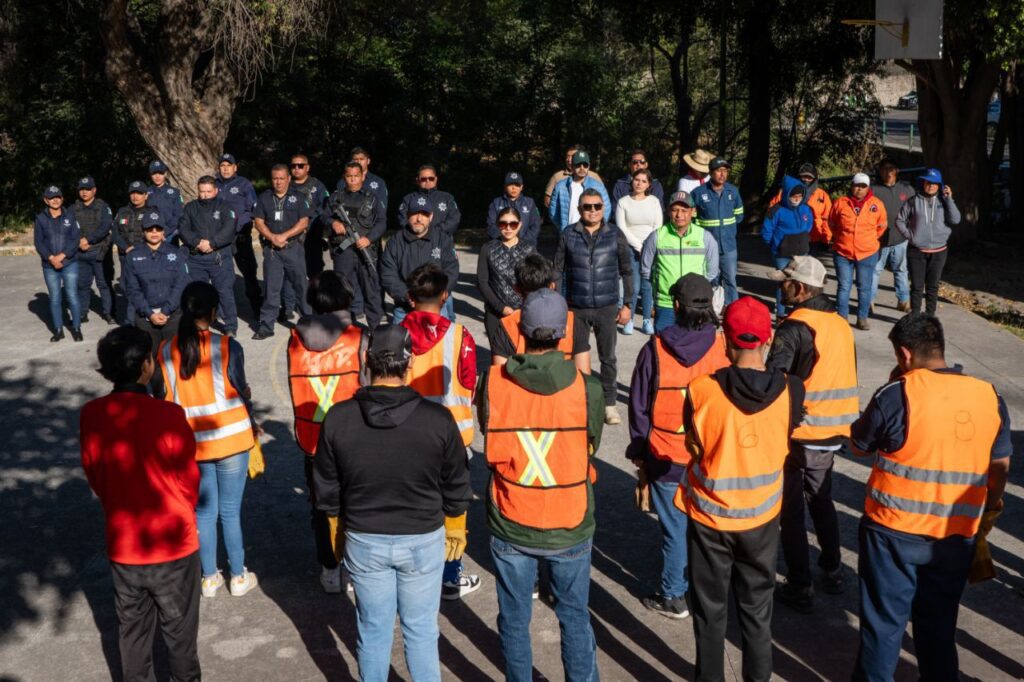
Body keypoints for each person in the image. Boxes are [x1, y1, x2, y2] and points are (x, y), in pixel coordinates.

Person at [849, 313, 1011, 681]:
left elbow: (859, 447)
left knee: (884, 627)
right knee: (938, 626)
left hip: (893, 533)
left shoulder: (897, 393)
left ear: (904, 354)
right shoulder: (988, 395)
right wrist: (989, 508)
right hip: (956, 535)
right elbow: (999, 465)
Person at [314, 324, 472, 682]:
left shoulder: (338, 418)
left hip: (364, 539)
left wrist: (337, 528)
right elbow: (457, 485)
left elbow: (326, 487)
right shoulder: (437, 419)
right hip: (422, 539)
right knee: (421, 632)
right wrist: (455, 525)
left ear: (366, 364)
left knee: (372, 631)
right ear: (410, 363)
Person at [478, 288, 605, 682]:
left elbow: (488, 427)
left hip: (512, 517)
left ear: (523, 331)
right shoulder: (588, 388)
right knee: (574, 616)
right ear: (562, 335)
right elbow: (592, 444)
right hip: (570, 517)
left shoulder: (494, 382)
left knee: (515, 619)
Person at [681, 296, 805, 682]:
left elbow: (693, 445)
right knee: (757, 611)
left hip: (710, 518)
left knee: (709, 611)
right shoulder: (792, 389)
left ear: (725, 341)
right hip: (761, 518)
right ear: (767, 341)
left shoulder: (700, 389)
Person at [80, 326, 201, 681]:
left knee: (132, 634)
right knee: (180, 637)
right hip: (173, 542)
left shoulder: (92, 414)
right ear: (146, 365)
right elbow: (188, 481)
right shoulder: (169, 415)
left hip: (124, 542)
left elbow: (96, 474)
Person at [626, 273, 729, 620]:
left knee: (674, 529)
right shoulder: (721, 348)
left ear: (677, 305)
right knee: (706, 529)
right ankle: (705, 589)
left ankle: (673, 594)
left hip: (665, 455)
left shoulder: (654, 349)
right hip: (710, 456)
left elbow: (639, 405)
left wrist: (640, 452)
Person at [159, 281, 259, 599]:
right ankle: (239, 576)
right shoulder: (227, 346)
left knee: (204, 512)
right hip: (231, 438)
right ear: (214, 311)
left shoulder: (165, 351)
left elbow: (161, 397)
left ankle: (210, 577)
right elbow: (240, 389)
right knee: (230, 511)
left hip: (191, 443)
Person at [767, 256, 856, 613]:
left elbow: (776, 381)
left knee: (790, 510)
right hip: (833, 431)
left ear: (800, 289)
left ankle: (800, 584)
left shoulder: (794, 327)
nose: (780, 286)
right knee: (821, 500)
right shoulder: (839, 324)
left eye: (785, 282)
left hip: (799, 431)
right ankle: (832, 569)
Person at [400, 263, 480, 600]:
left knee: (412, 503)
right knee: (454, 506)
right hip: (454, 436)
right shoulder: (461, 336)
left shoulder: (393, 336)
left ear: (409, 298)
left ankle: (411, 572)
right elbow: (470, 385)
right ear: (445, 296)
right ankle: (450, 573)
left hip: (406, 435)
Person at [288, 271, 367, 593]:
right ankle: (356, 564)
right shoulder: (358, 337)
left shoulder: (295, 339)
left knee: (321, 504)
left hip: (311, 437)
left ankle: (330, 567)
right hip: (353, 436)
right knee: (356, 502)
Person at [554, 187, 634, 425]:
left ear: (603, 208)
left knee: (608, 358)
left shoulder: (615, 234)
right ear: (579, 209)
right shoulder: (568, 234)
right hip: (576, 306)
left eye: (597, 206)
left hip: (606, 306)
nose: (592, 211)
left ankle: (609, 404)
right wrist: (559, 303)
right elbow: (557, 270)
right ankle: (581, 401)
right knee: (575, 356)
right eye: (587, 206)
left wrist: (628, 304)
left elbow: (627, 271)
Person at [490, 253, 592, 375]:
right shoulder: (573, 321)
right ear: (552, 286)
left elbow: (500, 378)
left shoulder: (507, 326)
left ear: (516, 289)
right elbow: (584, 376)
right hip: (566, 390)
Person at [124, 210, 190, 398]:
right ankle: (160, 395)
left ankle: (179, 394)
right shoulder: (133, 257)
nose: (154, 232)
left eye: (158, 229)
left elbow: (181, 284)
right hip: (146, 318)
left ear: (164, 232)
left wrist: (167, 310)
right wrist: (149, 313)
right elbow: (132, 289)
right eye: (149, 229)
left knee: (175, 357)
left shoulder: (176, 254)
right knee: (150, 360)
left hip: (173, 317)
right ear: (143, 231)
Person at [641, 191, 720, 333]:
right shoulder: (656, 236)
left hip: (694, 306)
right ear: (668, 212)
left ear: (693, 212)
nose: (679, 215)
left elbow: (712, 272)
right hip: (666, 303)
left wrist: (695, 292)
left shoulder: (705, 237)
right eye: (675, 210)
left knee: (693, 347)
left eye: (684, 210)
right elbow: (646, 270)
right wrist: (653, 300)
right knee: (663, 347)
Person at [252, 164, 314, 340]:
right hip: (272, 250)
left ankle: (308, 322)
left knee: (301, 286)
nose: (278, 182)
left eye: (281, 178)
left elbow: (304, 222)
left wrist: (284, 236)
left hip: (293, 248)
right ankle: (266, 325)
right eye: (275, 178)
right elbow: (258, 221)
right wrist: (272, 237)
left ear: (288, 179)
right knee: (271, 288)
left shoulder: (299, 198)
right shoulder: (264, 198)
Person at [379, 195, 459, 325]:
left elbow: (452, 270)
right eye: (414, 213)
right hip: (405, 306)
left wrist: (440, 292)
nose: (419, 218)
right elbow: (388, 275)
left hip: (436, 305)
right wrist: (406, 295)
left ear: (431, 216)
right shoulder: (395, 242)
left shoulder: (443, 239)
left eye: (424, 214)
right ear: (407, 215)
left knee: (442, 343)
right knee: (399, 344)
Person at [326, 161, 386, 329]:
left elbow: (382, 222)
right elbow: (324, 216)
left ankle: (375, 330)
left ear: (362, 176)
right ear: (344, 177)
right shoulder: (336, 197)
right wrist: (333, 223)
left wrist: (369, 238)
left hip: (365, 249)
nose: (353, 180)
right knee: (342, 291)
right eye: (349, 176)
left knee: (371, 291)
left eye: (356, 176)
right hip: (344, 252)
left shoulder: (372, 198)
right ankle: (343, 328)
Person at [895, 168, 961, 316]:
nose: (931, 185)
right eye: (928, 182)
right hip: (916, 251)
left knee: (932, 287)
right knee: (917, 287)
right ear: (922, 183)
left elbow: (956, 219)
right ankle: (915, 317)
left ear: (940, 185)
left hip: (939, 252)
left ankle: (930, 318)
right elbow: (899, 220)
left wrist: (949, 198)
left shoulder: (944, 202)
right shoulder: (913, 201)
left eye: (935, 183)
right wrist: (911, 236)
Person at [179, 176, 239, 336]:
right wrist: (197, 242)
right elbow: (183, 228)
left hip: (219, 257)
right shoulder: (190, 207)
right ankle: (199, 323)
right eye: (202, 191)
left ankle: (230, 325)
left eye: (208, 191)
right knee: (198, 294)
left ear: (216, 190)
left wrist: (212, 243)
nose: (205, 195)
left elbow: (229, 228)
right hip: (196, 258)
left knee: (224, 292)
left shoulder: (226, 207)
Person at [828, 173, 886, 330]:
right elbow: (832, 223)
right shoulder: (841, 203)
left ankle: (862, 318)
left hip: (867, 253)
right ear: (851, 186)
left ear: (868, 188)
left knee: (864, 287)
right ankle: (842, 318)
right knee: (844, 286)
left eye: (863, 186)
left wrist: (867, 240)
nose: (859, 189)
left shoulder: (877, 204)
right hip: (843, 252)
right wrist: (842, 239)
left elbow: (881, 227)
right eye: (856, 185)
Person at [478, 207, 536, 348]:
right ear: (498, 225)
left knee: (522, 357)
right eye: (503, 224)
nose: (508, 228)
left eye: (513, 224)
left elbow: (536, 281)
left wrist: (525, 308)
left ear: (520, 224)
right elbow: (482, 282)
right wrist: (501, 307)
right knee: (498, 359)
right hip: (495, 313)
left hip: (523, 313)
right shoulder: (487, 248)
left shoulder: (529, 249)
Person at [615, 167, 664, 334]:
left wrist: (647, 246)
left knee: (647, 286)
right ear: (632, 181)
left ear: (649, 184)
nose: (639, 183)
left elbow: (657, 226)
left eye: (644, 181)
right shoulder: (623, 202)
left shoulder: (654, 202)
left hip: (650, 248)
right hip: (630, 248)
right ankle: (628, 320)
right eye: (637, 180)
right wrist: (638, 246)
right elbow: (621, 227)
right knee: (633, 286)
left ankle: (646, 321)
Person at [34, 185, 83, 342]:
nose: (55, 200)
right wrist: (51, 258)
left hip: (69, 263)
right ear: (46, 200)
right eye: (51, 197)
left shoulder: (70, 216)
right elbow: (38, 243)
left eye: (58, 197)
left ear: (62, 199)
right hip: (49, 266)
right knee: (55, 298)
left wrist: (62, 256)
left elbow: (75, 239)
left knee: (72, 295)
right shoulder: (40, 219)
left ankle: (76, 327)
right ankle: (58, 329)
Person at [216, 153, 262, 318]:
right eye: (223, 165)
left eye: (229, 165)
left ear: (235, 167)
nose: (226, 168)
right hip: (221, 239)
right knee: (221, 275)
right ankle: (223, 312)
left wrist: (236, 224)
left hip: (240, 236)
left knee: (249, 273)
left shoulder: (244, 184)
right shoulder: (214, 184)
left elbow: (252, 209)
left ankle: (257, 309)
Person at [692, 157, 743, 305]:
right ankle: (710, 310)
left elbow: (739, 214)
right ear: (711, 172)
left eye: (725, 171)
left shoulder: (733, 191)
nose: (723, 174)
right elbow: (693, 219)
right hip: (707, 246)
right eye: (719, 170)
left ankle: (733, 310)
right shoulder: (698, 193)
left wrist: (729, 230)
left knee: (731, 280)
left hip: (728, 246)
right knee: (709, 280)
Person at [761, 176, 813, 319]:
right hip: (782, 254)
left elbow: (809, 226)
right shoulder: (776, 210)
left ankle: (798, 312)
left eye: (799, 196)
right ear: (787, 194)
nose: (796, 198)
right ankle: (781, 314)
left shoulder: (806, 209)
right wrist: (776, 245)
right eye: (794, 196)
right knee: (784, 284)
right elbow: (766, 231)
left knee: (801, 283)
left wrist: (803, 239)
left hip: (802, 253)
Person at [870, 158, 914, 313]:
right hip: (878, 239)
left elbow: (915, 212)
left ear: (896, 171)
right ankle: (870, 301)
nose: (888, 172)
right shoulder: (873, 190)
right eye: (884, 169)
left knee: (901, 270)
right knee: (875, 270)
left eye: (891, 168)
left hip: (900, 239)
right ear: (880, 171)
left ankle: (903, 300)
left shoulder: (907, 189)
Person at [72, 176, 115, 325]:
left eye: (88, 189)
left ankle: (108, 313)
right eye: (82, 189)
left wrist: (88, 240)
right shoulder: (74, 208)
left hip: (99, 252)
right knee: (82, 285)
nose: (84, 192)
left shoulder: (103, 206)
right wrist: (79, 242)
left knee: (103, 283)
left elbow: (105, 226)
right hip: (80, 252)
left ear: (94, 190)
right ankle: (83, 313)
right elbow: (68, 228)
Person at [768, 163, 832, 251]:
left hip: (814, 241)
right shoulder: (785, 193)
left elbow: (827, 220)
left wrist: (826, 239)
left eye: (809, 177)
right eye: (803, 177)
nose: (806, 180)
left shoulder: (823, 196)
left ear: (815, 179)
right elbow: (772, 214)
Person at [113, 181, 152, 324]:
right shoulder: (122, 212)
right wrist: (125, 247)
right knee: (127, 288)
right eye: (133, 193)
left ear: (146, 195)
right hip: (126, 256)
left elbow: (156, 234)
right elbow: (115, 234)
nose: (135, 196)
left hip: (146, 256)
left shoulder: (152, 212)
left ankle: (138, 321)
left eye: (139, 193)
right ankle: (132, 320)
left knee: (144, 289)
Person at [290, 153, 331, 281]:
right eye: (293, 166)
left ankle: (315, 298)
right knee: (293, 272)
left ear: (307, 167)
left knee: (315, 272)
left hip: (312, 235)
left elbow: (326, 207)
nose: (297, 168)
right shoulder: (286, 185)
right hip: (291, 236)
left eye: (300, 165)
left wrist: (308, 220)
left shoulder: (317, 185)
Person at [549, 149, 612, 232]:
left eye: (585, 165)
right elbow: (553, 212)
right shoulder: (561, 186)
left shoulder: (598, 186)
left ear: (589, 166)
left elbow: (607, 209)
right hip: (568, 233)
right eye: (578, 165)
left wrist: (596, 229)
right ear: (572, 166)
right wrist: (563, 229)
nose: (582, 168)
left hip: (592, 234)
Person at [398, 165, 461, 238]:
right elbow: (402, 220)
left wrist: (434, 232)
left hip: (441, 241)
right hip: (415, 242)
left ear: (436, 179)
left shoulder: (447, 198)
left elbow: (454, 219)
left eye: (431, 178)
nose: (427, 181)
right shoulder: (408, 199)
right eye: (423, 179)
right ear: (417, 180)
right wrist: (418, 232)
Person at [486, 172, 541, 245]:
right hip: (501, 245)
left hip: (526, 245)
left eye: (517, 185)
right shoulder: (496, 203)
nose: (513, 188)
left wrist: (522, 242)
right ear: (505, 187)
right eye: (510, 184)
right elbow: (491, 225)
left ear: (522, 187)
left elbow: (535, 225)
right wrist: (504, 240)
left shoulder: (530, 203)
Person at [544, 144, 604, 209]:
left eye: (572, 156)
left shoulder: (594, 176)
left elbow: (603, 199)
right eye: (567, 156)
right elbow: (548, 200)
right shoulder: (557, 177)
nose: (569, 159)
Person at [610, 149, 666, 217]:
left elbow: (659, 211)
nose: (638, 164)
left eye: (642, 162)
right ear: (630, 165)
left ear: (646, 165)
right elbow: (615, 211)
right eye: (635, 162)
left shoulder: (656, 185)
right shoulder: (620, 185)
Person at [146, 160, 183, 242]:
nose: (157, 176)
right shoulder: (145, 192)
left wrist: (165, 232)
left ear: (165, 174)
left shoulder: (175, 192)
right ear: (150, 175)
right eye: (154, 173)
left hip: (170, 235)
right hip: (151, 234)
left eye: (160, 173)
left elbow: (178, 215)